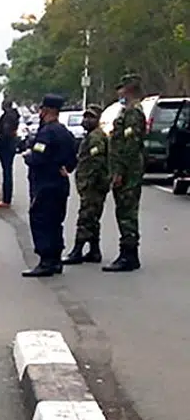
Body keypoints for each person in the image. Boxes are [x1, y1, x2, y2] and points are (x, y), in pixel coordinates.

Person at [21, 94, 80, 277]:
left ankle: (46, 261)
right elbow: (73, 158)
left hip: (45, 184)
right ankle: (55, 259)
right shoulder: (65, 132)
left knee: (41, 221)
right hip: (60, 184)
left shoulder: (46, 132)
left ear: (46, 110)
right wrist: (66, 168)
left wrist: (27, 157)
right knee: (56, 222)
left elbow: (38, 157)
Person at [104, 73, 148, 272]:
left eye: (121, 88)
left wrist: (119, 171)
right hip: (126, 168)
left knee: (127, 211)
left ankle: (128, 255)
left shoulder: (133, 113)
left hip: (129, 170)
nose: (119, 92)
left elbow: (130, 145)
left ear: (128, 89)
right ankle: (127, 253)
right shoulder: (127, 111)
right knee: (123, 210)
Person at [64, 106, 111, 265]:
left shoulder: (96, 138)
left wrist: (90, 183)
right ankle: (94, 250)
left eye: (90, 117)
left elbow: (97, 163)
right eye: (85, 117)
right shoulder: (90, 136)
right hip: (90, 184)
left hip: (93, 185)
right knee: (93, 218)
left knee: (85, 217)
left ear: (97, 120)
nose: (86, 120)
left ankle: (77, 251)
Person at [0, 98, 21, 207]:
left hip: (5, 146)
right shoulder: (15, 115)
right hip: (11, 145)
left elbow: (6, 132)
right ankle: (7, 197)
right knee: (8, 171)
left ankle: (6, 199)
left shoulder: (7, 116)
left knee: (6, 172)